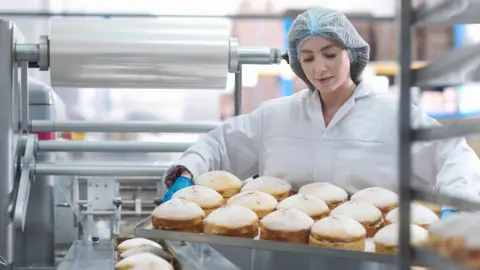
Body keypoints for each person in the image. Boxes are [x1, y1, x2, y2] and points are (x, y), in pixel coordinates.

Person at [161, 6, 480, 270]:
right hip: (282, 256)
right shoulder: (276, 114)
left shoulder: (392, 114)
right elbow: (218, 144)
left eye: (329, 54)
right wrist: (187, 173)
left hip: (367, 258)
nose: (319, 68)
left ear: (352, 53)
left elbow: (453, 153)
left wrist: (457, 208)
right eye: (308, 57)